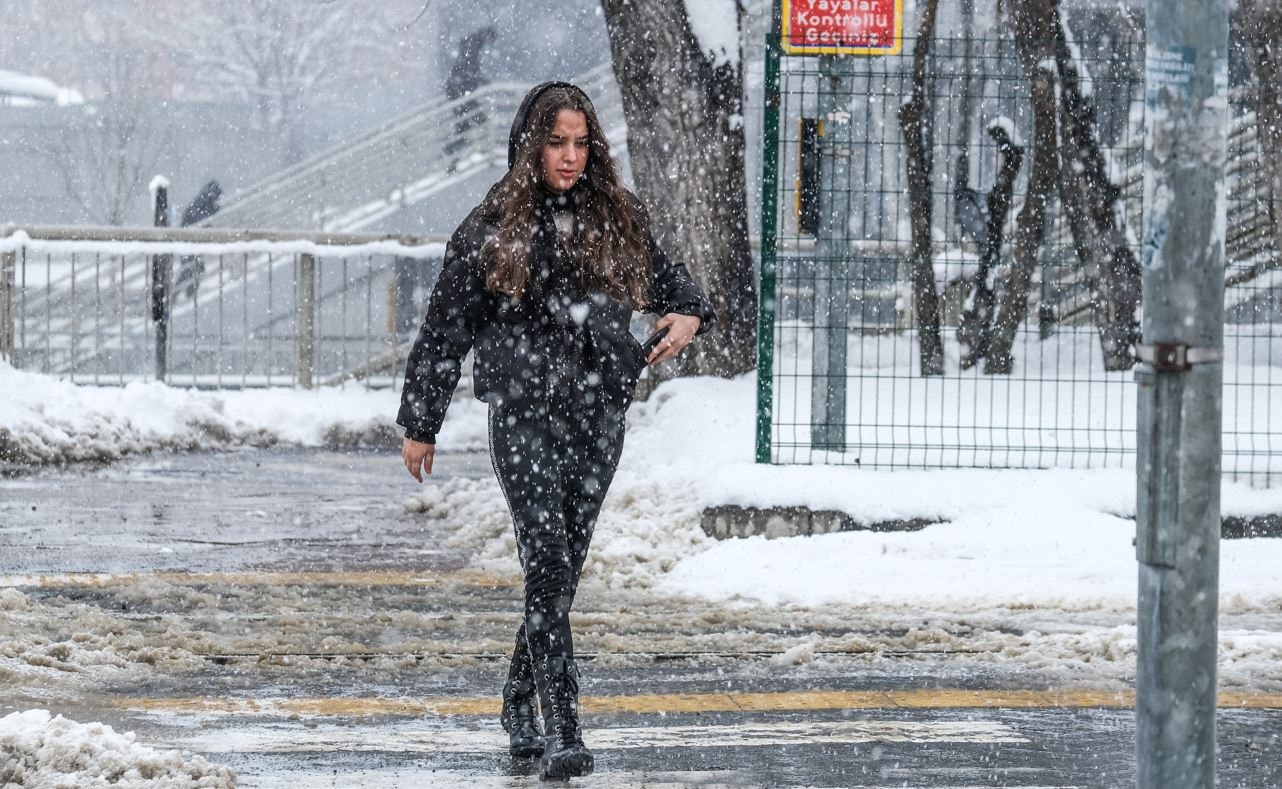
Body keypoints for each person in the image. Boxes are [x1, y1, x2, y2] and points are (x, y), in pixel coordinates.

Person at [396, 82, 715, 780]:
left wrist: (687, 317)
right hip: (523, 415)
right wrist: (421, 421)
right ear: (530, 144)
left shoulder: (618, 218)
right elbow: (445, 329)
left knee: (561, 568)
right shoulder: (492, 225)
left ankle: (518, 699)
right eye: (555, 141)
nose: (568, 157)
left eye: (579, 143)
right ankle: (562, 723)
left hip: (599, 413)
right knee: (546, 559)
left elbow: (685, 293)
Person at [174, 180, 222, 299]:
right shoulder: (203, 203)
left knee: (191, 270)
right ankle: (183, 296)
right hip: (190, 241)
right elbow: (200, 218)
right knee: (192, 270)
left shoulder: (201, 201)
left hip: (190, 242)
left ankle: (182, 295)